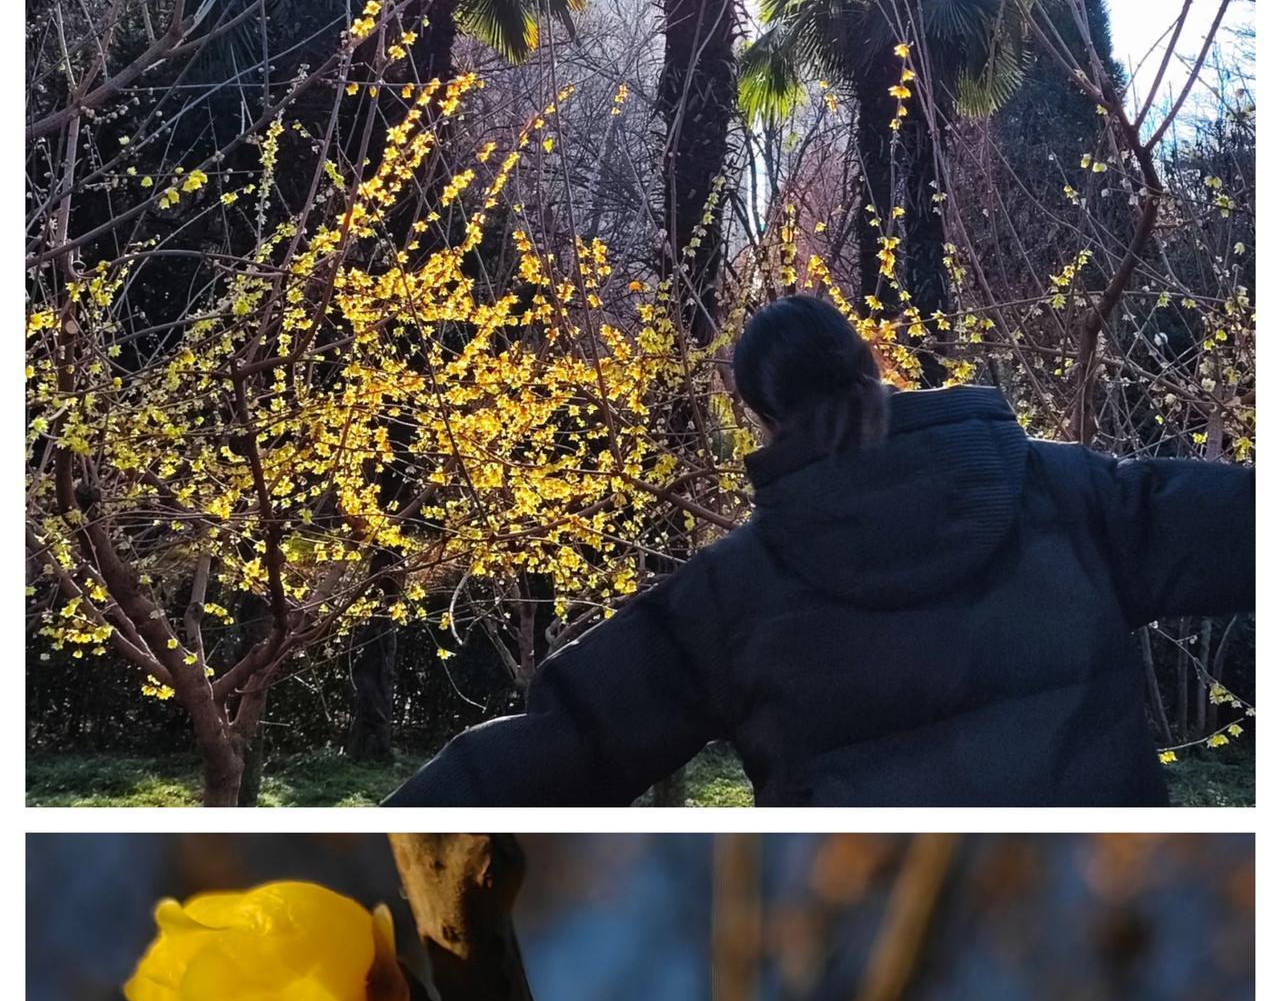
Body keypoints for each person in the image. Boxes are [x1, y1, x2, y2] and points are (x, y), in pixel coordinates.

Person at [385, 293, 1254, 807]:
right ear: (869, 360)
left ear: (760, 414)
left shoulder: (731, 601)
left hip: (878, 971)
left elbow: (563, 744)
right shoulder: (1072, 497)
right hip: (1124, 918)